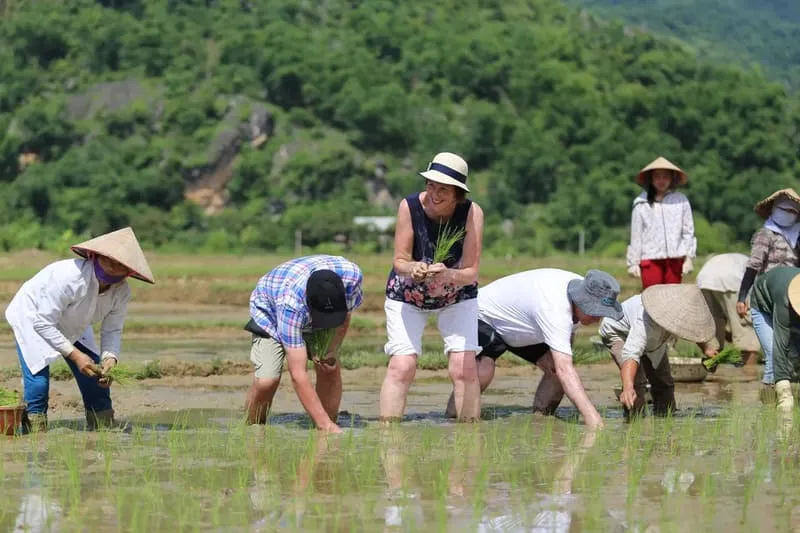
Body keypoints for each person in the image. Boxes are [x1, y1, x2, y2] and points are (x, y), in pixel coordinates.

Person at [4, 227, 155, 432]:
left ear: (129, 271)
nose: (113, 266)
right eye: (108, 259)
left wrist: (110, 358)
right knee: (38, 383)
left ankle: (103, 427)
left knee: (95, 378)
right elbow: (43, 322)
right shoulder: (69, 277)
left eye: (121, 264)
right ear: (95, 255)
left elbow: (112, 331)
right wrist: (75, 355)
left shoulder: (121, 292)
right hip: (34, 318)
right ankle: (35, 434)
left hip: (74, 322)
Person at [446, 268, 624, 429]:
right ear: (581, 302)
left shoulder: (585, 294)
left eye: (601, 314)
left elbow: (561, 361)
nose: (597, 320)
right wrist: (592, 418)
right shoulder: (555, 307)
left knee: (554, 369)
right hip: (483, 315)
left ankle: (541, 419)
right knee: (483, 369)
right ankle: (456, 420)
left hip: (526, 327)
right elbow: (566, 369)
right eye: (594, 313)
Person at [379, 151, 484, 422]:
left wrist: (448, 273)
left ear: (458, 193)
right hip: (408, 293)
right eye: (431, 186)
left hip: (455, 293)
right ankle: (388, 438)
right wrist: (413, 267)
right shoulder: (409, 207)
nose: (435, 194)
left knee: (464, 368)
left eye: (444, 190)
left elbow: (471, 272)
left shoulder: (472, 213)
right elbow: (399, 260)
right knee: (403, 366)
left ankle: (470, 441)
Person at [244, 255, 363, 432]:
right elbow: (298, 374)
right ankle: (252, 427)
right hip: (270, 313)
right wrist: (326, 426)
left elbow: (345, 315)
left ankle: (327, 423)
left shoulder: (351, 277)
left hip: (303, 301)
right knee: (267, 381)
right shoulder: (291, 304)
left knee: (328, 365)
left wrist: (331, 350)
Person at [599, 284, 714, 418]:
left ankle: (665, 420)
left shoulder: (676, 316)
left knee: (664, 381)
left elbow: (692, 329)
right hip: (618, 332)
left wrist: (707, 349)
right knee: (637, 381)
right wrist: (628, 387)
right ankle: (634, 425)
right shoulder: (647, 320)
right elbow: (631, 354)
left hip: (653, 339)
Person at [737, 188, 800, 394]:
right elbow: (753, 266)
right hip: (764, 301)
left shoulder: (797, 238)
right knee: (774, 354)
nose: (788, 213)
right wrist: (742, 296)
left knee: (792, 354)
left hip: (789, 300)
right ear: (773, 209)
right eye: (784, 209)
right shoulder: (765, 235)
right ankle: (770, 405)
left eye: (793, 211)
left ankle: (782, 399)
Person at [626, 157, 697, 289]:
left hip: (675, 259)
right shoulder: (641, 203)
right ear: (651, 179)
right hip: (650, 259)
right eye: (657, 177)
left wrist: (689, 258)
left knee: (673, 299)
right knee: (652, 300)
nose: (661, 181)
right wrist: (633, 263)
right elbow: (636, 235)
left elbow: (688, 231)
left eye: (665, 176)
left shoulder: (681, 201)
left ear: (672, 178)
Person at [750, 266, 800, 414]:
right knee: (773, 353)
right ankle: (770, 405)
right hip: (762, 307)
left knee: (795, 356)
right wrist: (785, 393)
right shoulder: (784, 300)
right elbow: (780, 344)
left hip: (784, 297)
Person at [695, 253, 761, 367]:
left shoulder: (740, 260)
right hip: (732, 280)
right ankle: (749, 376)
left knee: (712, 329)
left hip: (703, 279)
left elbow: (724, 315)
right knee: (747, 331)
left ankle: (713, 373)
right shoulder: (758, 269)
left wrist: (729, 333)